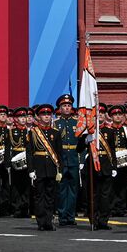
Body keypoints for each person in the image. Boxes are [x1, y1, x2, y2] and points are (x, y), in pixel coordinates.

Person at [54, 94, 81, 227]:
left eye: (69, 105)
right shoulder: (55, 124)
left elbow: (82, 143)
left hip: (74, 159)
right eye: (64, 106)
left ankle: (71, 215)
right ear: (60, 108)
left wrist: (81, 160)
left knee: (73, 189)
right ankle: (62, 215)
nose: (67, 108)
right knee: (61, 189)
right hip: (62, 159)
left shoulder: (77, 123)